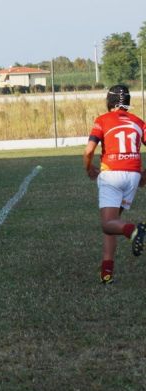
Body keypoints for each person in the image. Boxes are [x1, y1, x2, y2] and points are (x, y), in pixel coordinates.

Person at [83, 84, 146, 284]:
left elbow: (88, 151)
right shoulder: (139, 122)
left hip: (112, 174)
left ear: (108, 101)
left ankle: (134, 230)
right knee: (112, 224)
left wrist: (89, 168)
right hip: (133, 176)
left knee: (108, 223)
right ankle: (107, 272)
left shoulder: (102, 120)